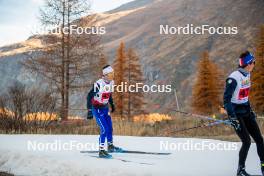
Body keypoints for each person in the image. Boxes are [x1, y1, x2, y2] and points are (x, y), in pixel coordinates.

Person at [224, 51, 264, 176]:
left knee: (259, 139)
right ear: (248, 64)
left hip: (246, 111)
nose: (254, 64)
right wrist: (232, 117)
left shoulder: (247, 74)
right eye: (253, 62)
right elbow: (226, 100)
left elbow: (244, 96)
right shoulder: (234, 78)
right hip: (236, 114)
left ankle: (263, 166)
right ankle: (240, 170)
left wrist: (250, 109)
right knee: (246, 141)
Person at [87, 65, 122, 158]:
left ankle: (110, 146)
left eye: (113, 74)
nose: (112, 76)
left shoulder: (111, 83)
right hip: (97, 108)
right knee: (104, 129)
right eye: (111, 74)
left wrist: (112, 104)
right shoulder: (99, 84)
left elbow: (108, 94)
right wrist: (89, 110)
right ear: (105, 75)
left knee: (110, 128)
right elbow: (89, 96)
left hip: (105, 108)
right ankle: (101, 150)